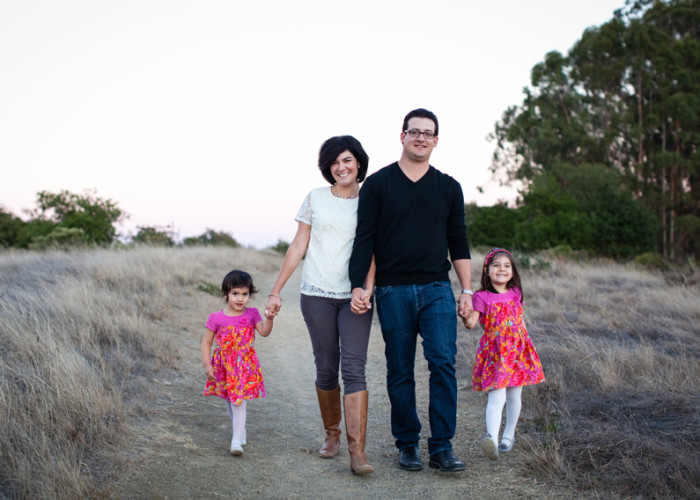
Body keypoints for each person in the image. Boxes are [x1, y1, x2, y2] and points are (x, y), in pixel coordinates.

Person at [348, 108, 473, 473]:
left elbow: (459, 241)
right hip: (392, 290)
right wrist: (362, 286)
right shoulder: (378, 184)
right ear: (401, 136)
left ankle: (442, 446)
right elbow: (365, 240)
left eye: (428, 133)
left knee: (443, 364)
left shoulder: (449, 187)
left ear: (436, 140)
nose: (420, 138)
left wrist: (466, 290)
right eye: (414, 131)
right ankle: (407, 445)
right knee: (399, 369)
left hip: (437, 288)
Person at [265, 135, 376, 475]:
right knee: (326, 367)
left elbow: (374, 250)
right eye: (334, 162)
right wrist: (276, 290)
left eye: (347, 160)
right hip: (316, 293)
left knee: (354, 368)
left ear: (358, 162)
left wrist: (366, 291)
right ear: (328, 167)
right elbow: (298, 245)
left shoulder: (372, 199)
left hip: (355, 297)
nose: (341, 167)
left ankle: (358, 452)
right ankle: (332, 435)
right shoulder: (314, 198)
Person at [464, 248, 545, 461]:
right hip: (495, 353)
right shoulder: (481, 296)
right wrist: (464, 314)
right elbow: (472, 323)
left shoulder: (516, 292)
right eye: (496, 265)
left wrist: (527, 344)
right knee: (496, 393)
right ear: (487, 270)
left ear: (512, 271)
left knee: (514, 394)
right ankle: (491, 437)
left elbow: (520, 319)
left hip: (517, 350)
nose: (502, 269)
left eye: (506, 266)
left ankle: (508, 436)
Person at [201, 270, 273, 456]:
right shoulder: (216, 317)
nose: (240, 299)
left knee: (238, 401)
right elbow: (206, 342)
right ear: (226, 293)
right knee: (229, 399)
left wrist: (270, 319)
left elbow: (264, 332)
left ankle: (235, 442)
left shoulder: (252, 314)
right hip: (223, 365)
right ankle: (240, 431)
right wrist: (207, 364)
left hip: (244, 365)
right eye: (235, 294)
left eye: (245, 294)